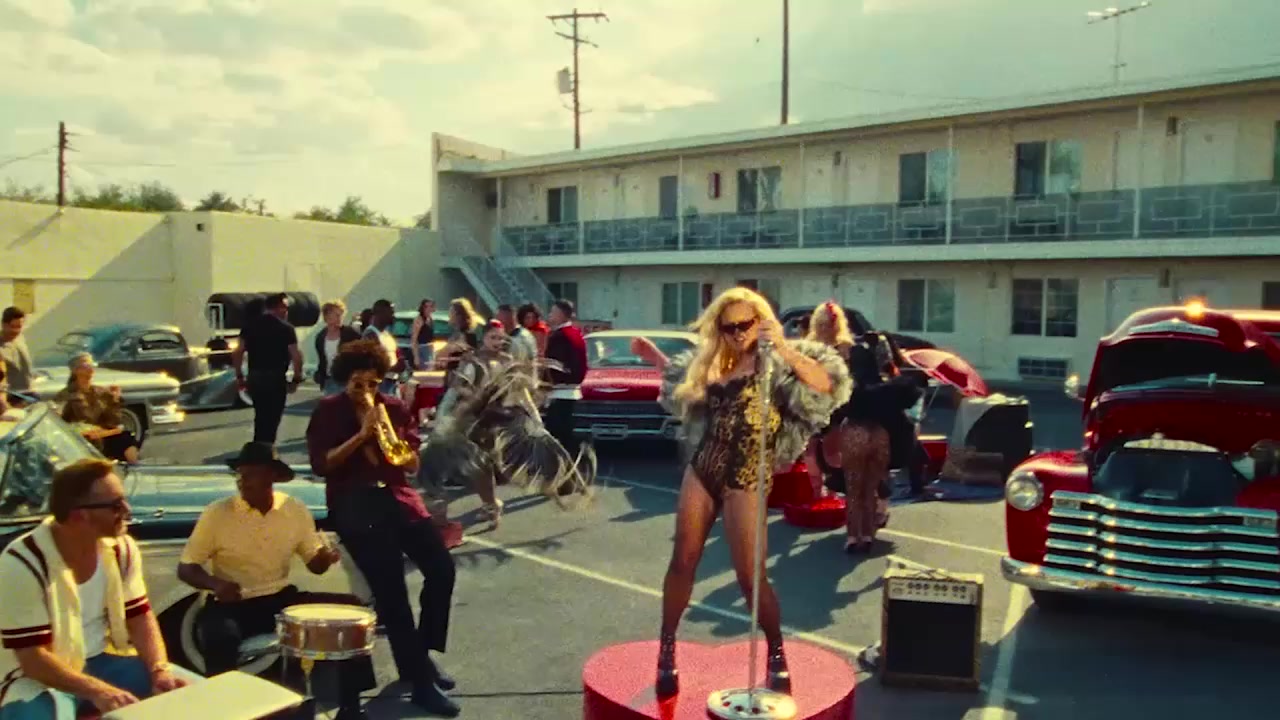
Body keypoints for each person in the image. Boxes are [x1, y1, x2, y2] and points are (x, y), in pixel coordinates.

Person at [631, 286, 851, 700]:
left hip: (749, 476)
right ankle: (666, 648)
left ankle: (776, 651)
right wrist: (653, 357)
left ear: (760, 321)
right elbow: (680, 384)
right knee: (682, 561)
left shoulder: (780, 363)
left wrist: (782, 347)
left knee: (751, 578)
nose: (736, 333)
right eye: (728, 327)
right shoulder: (713, 361)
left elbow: (826, 385)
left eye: (744, 325)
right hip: (705, 467)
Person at [305, 340, 460, 718]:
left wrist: (396, 442)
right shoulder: (328, 411)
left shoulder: (394, 407)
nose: (367, 390)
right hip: (356, 505)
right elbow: (322, 465)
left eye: (374, 382)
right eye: (358, 383)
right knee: (393, 596)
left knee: (442, 569)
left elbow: (411, 462)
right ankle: (421, 684)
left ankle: (420, 655)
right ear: (345, 379)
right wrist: (361, 436)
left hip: (399, 498)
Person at [176, 442, 371, 719]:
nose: (242, 481)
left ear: (272, 477)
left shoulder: (294, 509)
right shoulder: (216, 513)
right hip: (231, 602)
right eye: (239, 474)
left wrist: (326, 557)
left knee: (353, 613)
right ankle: (223, 712)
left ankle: (351, 706)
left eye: (250, 474)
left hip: (280, 599)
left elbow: (314, 566)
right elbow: (186, 568)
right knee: (220, 639)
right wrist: (216, 584)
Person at [0, 458, 190, 718]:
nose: (127, 510)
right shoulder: (20, 564)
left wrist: (159, 670)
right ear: (79, 515)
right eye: (115, 505)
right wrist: (98, 691)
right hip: (36, 677)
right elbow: (33, 659)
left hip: (103, 661)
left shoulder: (122, 548)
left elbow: (139, 617)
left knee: (190, 694)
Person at [420, 321, 594, 527]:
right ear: (483, 338)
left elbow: (521, 392)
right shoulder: (473, 361)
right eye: (492, 337)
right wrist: (464, 405)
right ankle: (489, 505)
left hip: (499, 422)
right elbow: (457, 389)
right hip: (473, 421)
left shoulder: (508, 361)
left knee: (488, 465)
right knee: (476, 466)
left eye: (500, 338)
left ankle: (491, 505)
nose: (497, 342)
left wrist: (535, 418)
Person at [233, 293, 303, 444]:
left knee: (260, 415)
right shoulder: (286, 328)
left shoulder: (249, 326)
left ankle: (258, 445)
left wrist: (239, 375)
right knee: (273, 417)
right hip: (275, 377)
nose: (287, 311)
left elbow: (238, 352)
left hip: (255, 376)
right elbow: (296, 355)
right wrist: (296, 378)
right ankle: (267, 448)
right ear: (278, 308)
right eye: (285, 307)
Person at [54, 353, 140, 464]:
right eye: (86, 366)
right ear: (76, 370)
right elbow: (64, 422)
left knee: (126, 437)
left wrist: (114, 400)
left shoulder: (99, 391)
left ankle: (134, 466)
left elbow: (113, 421)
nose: (91, 369)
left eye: (92, 365)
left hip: (101, 435)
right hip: (82, 439)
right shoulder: (66, 395)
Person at [542, 299, 588, 457]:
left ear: (561, 315)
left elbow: (554, 365)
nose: (550, 315)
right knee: (568, 433)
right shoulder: (576, 333)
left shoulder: (560, 336)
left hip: (560, 391)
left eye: (553, 312)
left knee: (556, 435)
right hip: (573, 391)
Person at [314, 300, 362, 396]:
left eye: (341, 315)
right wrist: (319, 375)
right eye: (337, 315)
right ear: (327, 316)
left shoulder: (350, 334)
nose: (340, 318)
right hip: (329, 381)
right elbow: (322, 359)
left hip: (347, 381)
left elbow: (361, 355)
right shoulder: (320, 337)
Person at [362, 299, 404, 395]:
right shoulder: (371, 334)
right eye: (391, 313)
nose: (393, 316)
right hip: (380, 383)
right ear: (380, 314)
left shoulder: (386, 334)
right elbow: (372, 363)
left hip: (392, 381)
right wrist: (394, 368)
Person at [0, 307, 33, 398]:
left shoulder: (20, 339)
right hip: (10, 396)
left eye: (19, 327)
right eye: (12, 326)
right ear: (3, 324)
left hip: (28, 392)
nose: (15, 331)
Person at [409, 299, 437, 370]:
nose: (429, 309)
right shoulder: (419, 320)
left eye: (431, 306)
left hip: (430, 349)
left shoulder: (430, 319)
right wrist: (416, 357)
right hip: (421, 350)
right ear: (422, 308)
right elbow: (414, 339)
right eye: (426, 307)